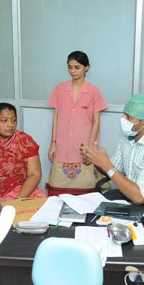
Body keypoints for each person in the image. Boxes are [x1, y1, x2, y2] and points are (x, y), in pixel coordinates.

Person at [80, 95, 144, 205]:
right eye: (124, 114)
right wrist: (96, 159)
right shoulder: (127, 138)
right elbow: (112, 171)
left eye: (129, 117)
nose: (123, 119)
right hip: (132, 198)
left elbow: (140, 197)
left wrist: (107, 165)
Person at [46, 50, 108, 196]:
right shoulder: (60, 89)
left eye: (77, 67)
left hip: (83, 148)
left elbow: (96, 122)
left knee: (86, 194)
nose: (72, 71)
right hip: (62, 146)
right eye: (70, 67)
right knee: (58, 194)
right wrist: (53, 143)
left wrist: (90, 148)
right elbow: (55, 117)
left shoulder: (94, 92)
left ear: (86, 67)